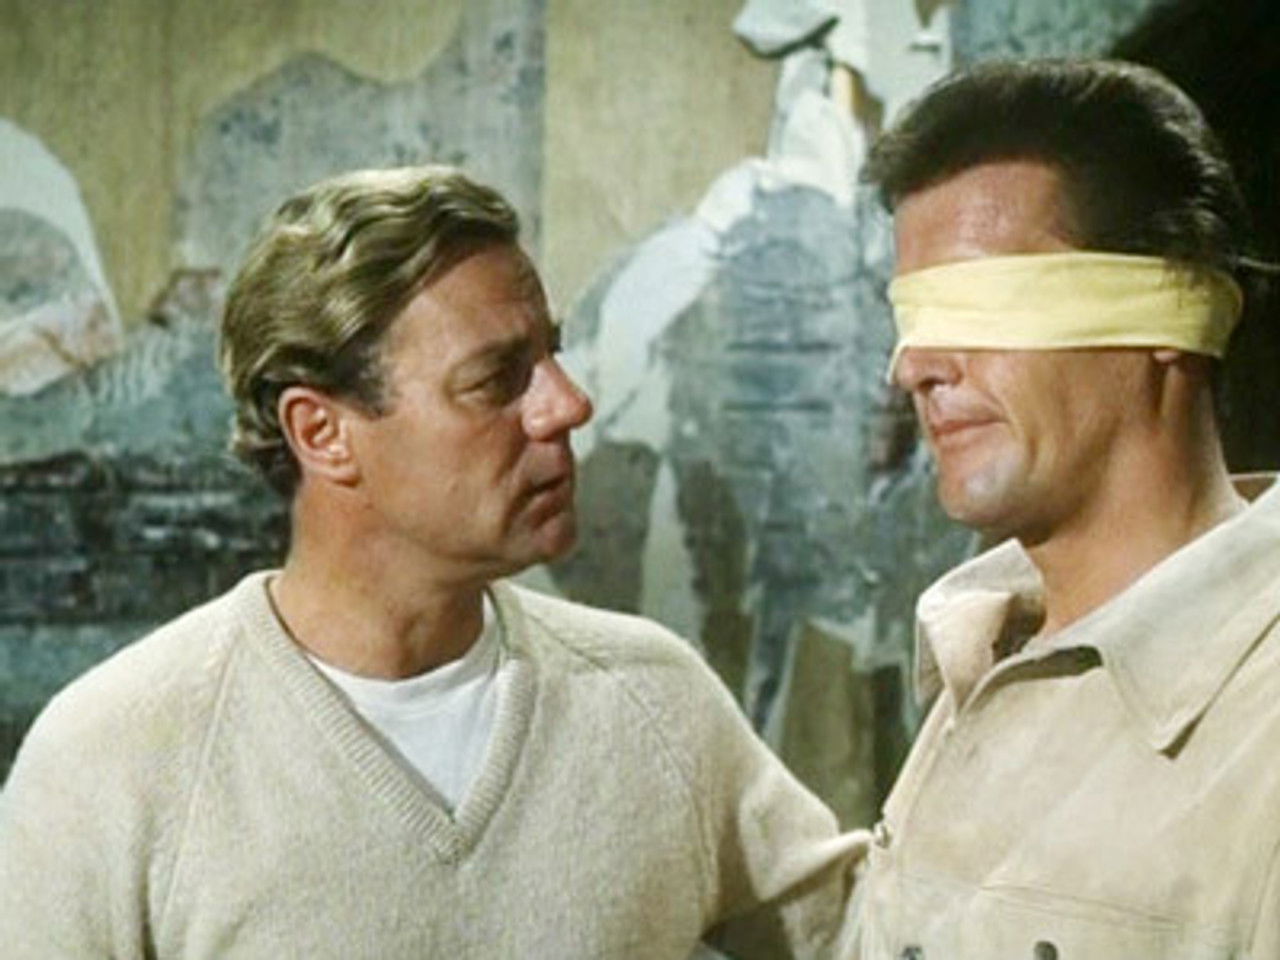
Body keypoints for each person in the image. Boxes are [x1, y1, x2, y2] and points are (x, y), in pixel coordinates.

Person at [0, 165, 859, 958]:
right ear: (322, 433)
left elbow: (872, 938)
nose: (567, 404)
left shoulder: (654, 701)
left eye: (553, 356)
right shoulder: (114, 760)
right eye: (497, 380)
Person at [850, 58, 1280, 957]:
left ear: (1173, 310)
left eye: (980, 305)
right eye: (912, 316)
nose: (913, 366)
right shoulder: (978, 657)